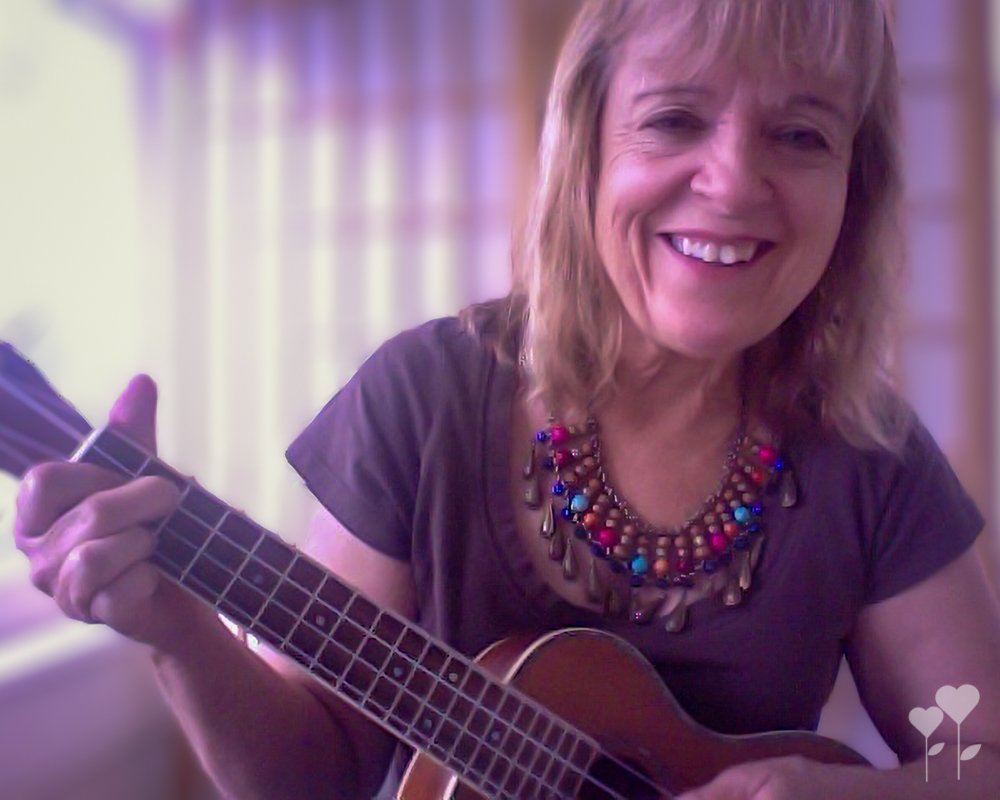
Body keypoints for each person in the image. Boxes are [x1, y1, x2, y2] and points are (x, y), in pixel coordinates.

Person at [13, 0, 1000, 798]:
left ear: (851, 190)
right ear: (585, 148)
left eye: (800, 133)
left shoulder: (874, 460)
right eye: (674, 118)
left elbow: (976, 749)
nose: (735, 180)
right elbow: (307, 777)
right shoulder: (420, 401)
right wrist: (177, 625)